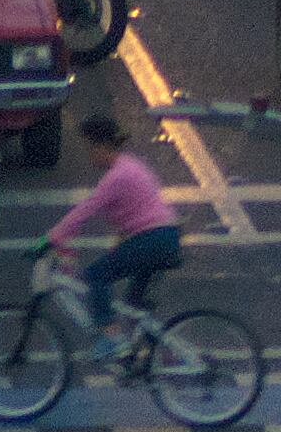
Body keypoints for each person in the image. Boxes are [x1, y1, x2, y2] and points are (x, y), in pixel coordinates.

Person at [50, 112, 182, 360]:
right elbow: (137, 210)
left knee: (96, 276)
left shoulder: (117, 177)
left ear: (101, 146)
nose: (88, 154)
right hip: (163, 236)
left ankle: (111, 338)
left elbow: (86, 209)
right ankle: (156, 353)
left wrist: (53, 237)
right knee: (133, 306)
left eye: (90, 148)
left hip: (151, 240)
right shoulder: (131, 166)